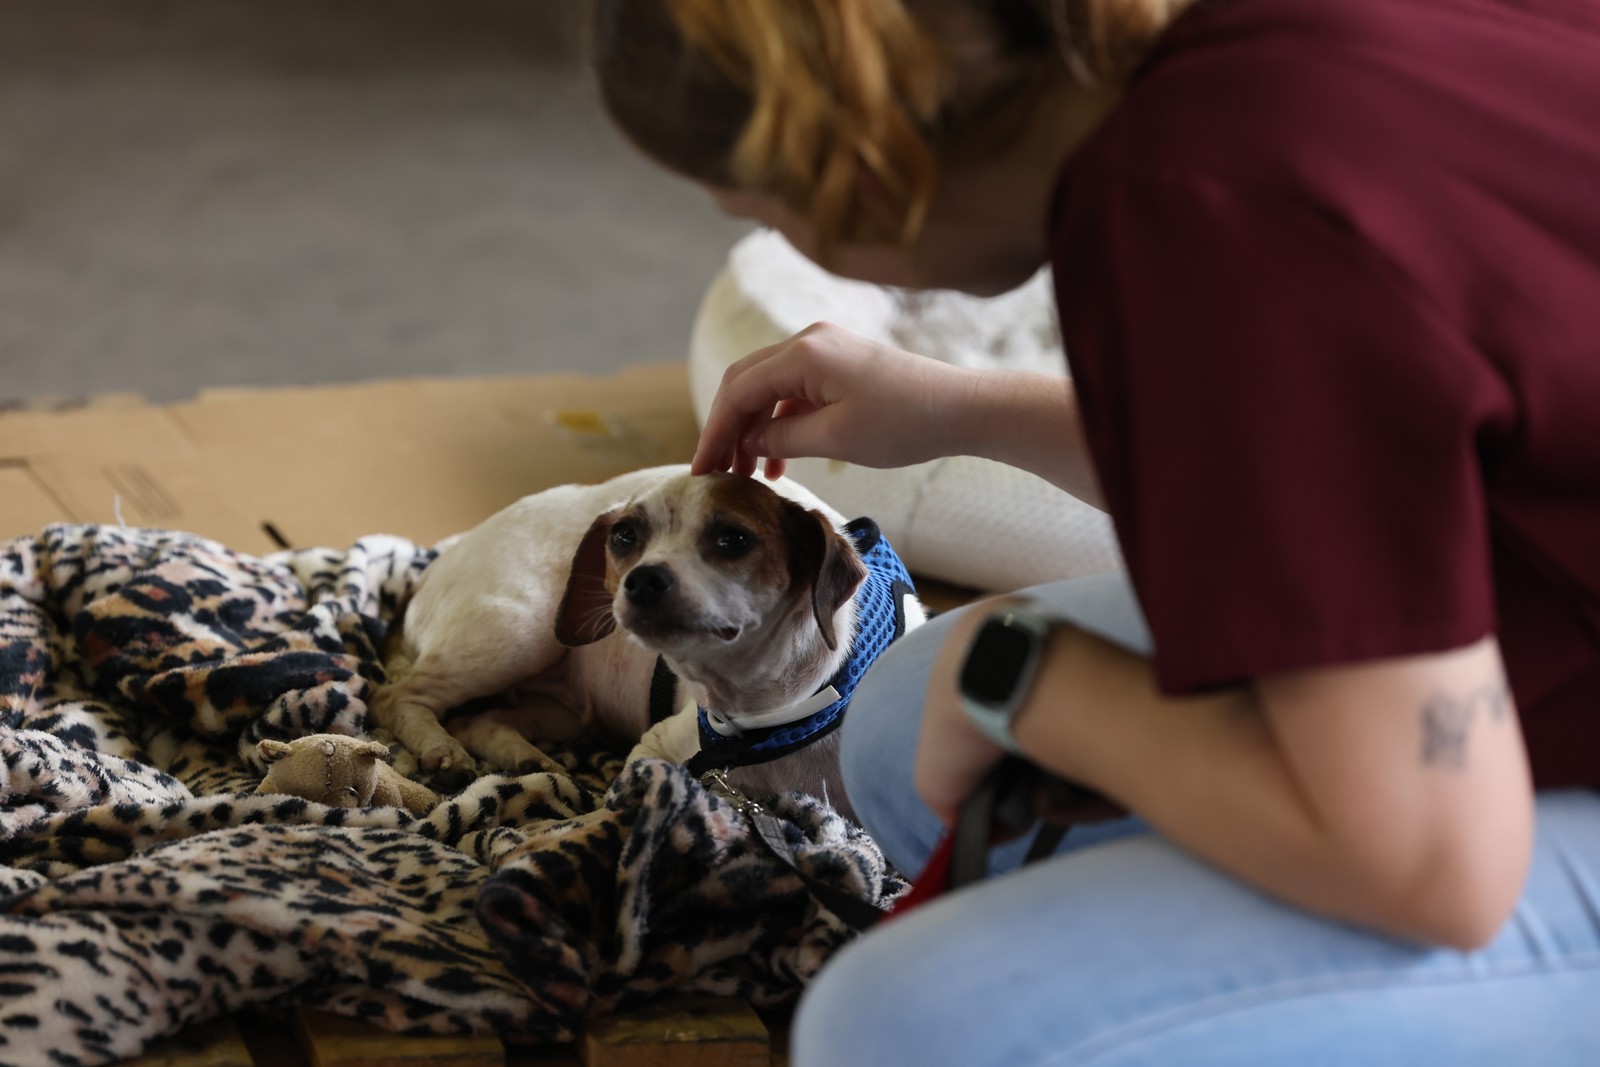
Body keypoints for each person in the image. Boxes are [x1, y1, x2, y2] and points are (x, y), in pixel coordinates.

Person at [592, 0, 1600, 1062]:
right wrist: (953, 410)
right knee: (899, 720)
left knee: (906, 1019)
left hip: (1454, 815)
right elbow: (1302, 442)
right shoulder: (1232, 71)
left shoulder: (1198, 203)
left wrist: (1026, 678)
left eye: (758, 210)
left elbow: (1435, 865)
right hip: (1536, 599)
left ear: (858, 175)